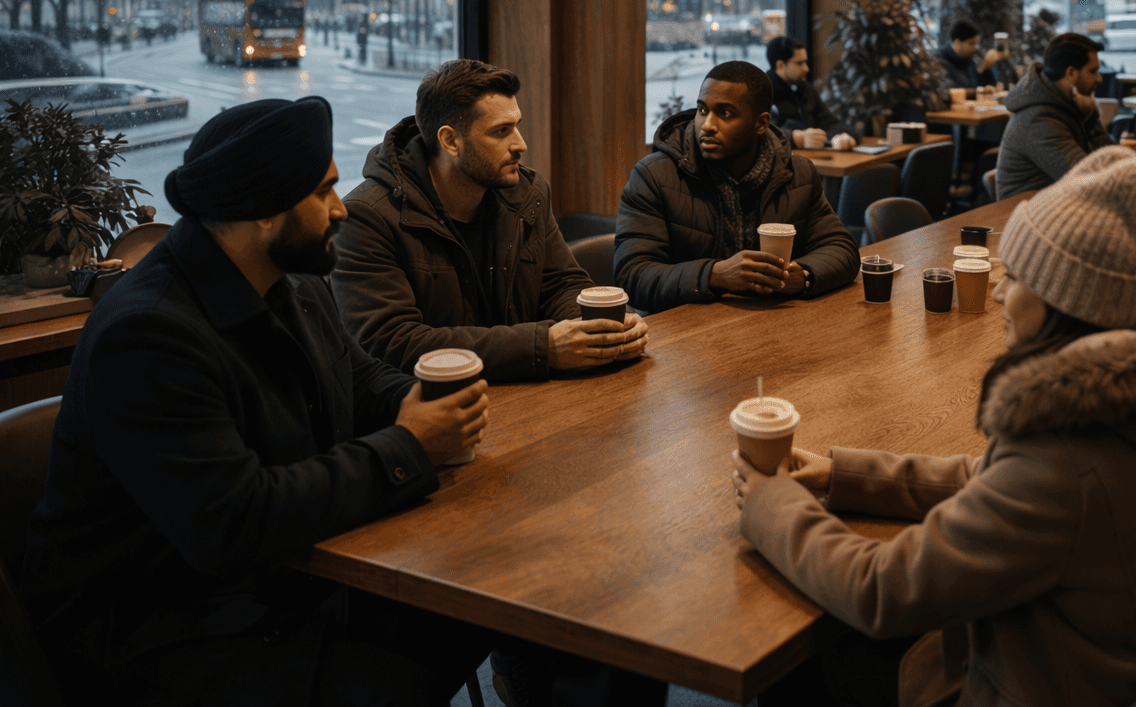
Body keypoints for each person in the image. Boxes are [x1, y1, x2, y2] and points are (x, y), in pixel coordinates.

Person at [732, 146, 1136, 707]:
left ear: (1066, 298)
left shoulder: (1067, 455)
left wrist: (771, 504)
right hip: (1108, 670)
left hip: (1044, 686)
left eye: (1013, 276)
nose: (996, 292)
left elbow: (884, 591)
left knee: (804, 660)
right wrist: (842, 474)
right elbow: (999, 482)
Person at [22, 97, 497, 705]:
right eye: (322, 192)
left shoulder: (292, 281)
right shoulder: (147, 335)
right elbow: (235, 522)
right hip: (158, 629)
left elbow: (358, 380)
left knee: (487, 604)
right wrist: (409, 447)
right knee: (407, 676)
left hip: (276, 583)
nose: (341, 208)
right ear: (264, 211)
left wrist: (429, 401)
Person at [331, 59, 648, 380]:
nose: (520, 144)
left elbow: (560, 285)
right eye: (501, 132)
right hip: (430, 401)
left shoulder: (527, 193)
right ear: (450, 141)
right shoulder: (366, 217)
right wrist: (542, 347)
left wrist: (606, 329)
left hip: (525, 390)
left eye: (517, 126)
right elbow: (392, 342)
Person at [615, 60, 858, 313]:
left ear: (761, 123)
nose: (707, 125)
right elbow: (632, 275)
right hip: (682, 331)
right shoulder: (653, 176)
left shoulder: (799, 174)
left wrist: (802, 276)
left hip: (773, 322)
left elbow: (842, 249)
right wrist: (714, 275)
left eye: (725, 113)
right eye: (702, 110)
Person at [995, 32, 1111, 197]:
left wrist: (1091, 119)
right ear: (1071, 73)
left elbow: (1111, 160)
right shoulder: (1040, 121)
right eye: (1093, 71)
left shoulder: (1068, 102)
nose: (1099, 79)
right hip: (1026, 210)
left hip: (1055, 202)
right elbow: (1088, 181)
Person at [765, 35, 856, 148]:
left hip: (810, 157)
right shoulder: (763, 93)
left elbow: (829, 122)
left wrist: (840, 136)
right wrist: (795, 139)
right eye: (799, 63)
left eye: (805, 62)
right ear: (780, 65)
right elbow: (761, 134)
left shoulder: (806, 90)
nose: (806, 69)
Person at [935, 19, 1008, 90]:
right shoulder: (939, 61)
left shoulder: (966, 57)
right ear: (957, 43)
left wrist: (986, 68)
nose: (977, 47)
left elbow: (977, 86)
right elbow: (953, 91)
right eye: (972, 43)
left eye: (977, 43)